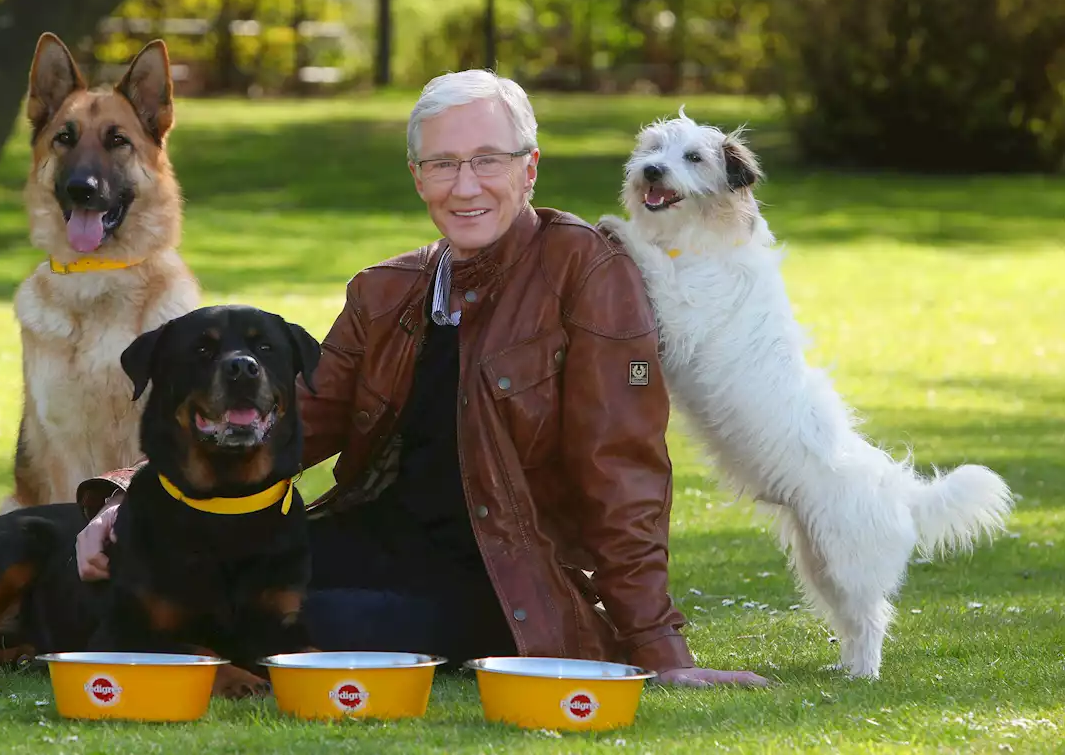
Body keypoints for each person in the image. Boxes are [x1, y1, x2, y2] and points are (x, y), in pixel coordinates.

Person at [73, 70, 770, 687]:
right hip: (370, 538)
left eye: (488, 161)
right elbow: (288, 417)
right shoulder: (387, 289)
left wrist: (659, 647)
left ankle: (157, 647)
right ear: (417, 176)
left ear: (530, 169)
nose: (465, 185)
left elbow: (622, 471)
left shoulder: (585, 272)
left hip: (502, 580)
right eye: (443, 163)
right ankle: (18, 631)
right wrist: (125, 499)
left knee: (292, 618)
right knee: (164, 566)